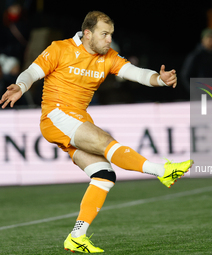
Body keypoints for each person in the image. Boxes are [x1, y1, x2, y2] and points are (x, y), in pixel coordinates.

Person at [0, 11, 193, 253]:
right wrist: (20, 85)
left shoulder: (108, 56)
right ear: (88, 33)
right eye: (104, 34)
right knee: (105, 141)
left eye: (111, 35)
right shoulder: (61, 48)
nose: (108, 40)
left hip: (77, 120)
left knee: (104, 174)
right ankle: (161, 171)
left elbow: (136, 73)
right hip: (56, 116)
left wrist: (160, 79)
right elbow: (32, 72)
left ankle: (76, 236)